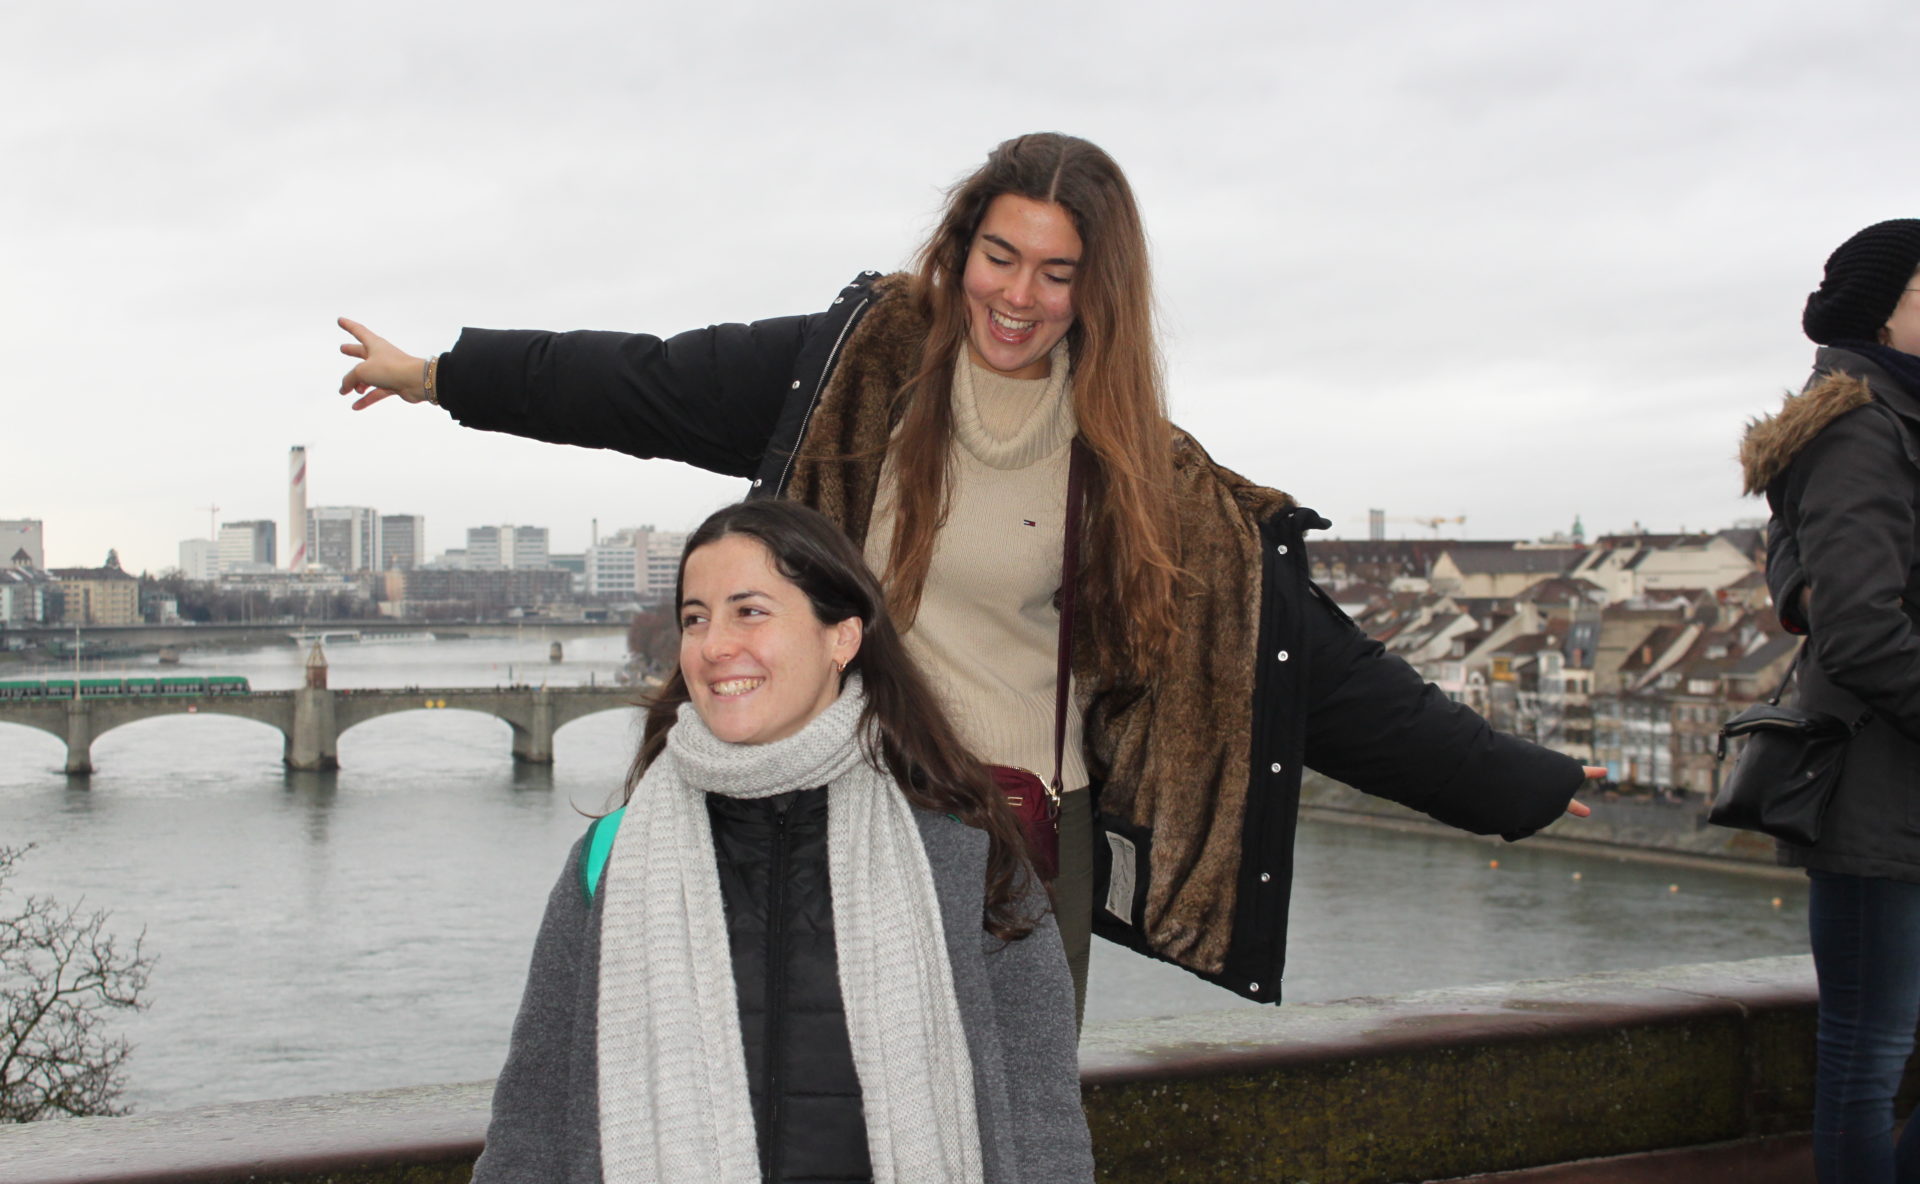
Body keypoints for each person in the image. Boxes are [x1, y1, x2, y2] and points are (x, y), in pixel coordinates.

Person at [338, 132, 1600, 1015]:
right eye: (1003, 256)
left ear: (1097, 288)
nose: (1021, 296)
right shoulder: (854, 367)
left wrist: (1515, 783)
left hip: (1013, 847)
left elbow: (1303, 661)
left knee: (1003, 1130)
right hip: (830, 811)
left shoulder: (1140, 467)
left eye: (1059, 272)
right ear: (961, 246)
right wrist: (447, 373)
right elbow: (645, 380)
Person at [472, 498, 1092, 1184]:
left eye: (750, 611)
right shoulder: (611, 858)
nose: (713, 646)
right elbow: (534, 1114)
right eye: (695, 618)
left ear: (842, 638)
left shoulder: (961, 850)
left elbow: (1042, 1117)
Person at [1741, 219, 1920, 1184]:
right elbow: (1862, 631)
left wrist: (1801, 589)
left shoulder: (1885, 418)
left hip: (1898, 787)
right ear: (1883, 316)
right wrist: (1814, 597)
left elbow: (1809, 566)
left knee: (1870, 1050)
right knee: (1866, 1054)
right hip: (1872, 792)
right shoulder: (1864, 425)